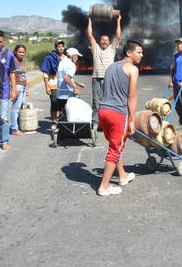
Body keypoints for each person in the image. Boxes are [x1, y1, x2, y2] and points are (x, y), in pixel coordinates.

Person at [97, 39, 144, 196]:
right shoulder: (132, 69)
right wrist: (131, 120)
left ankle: (122, 175)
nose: (141, 55)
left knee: (116, 145)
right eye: (139, 52)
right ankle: (104, 186)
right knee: (115, 149)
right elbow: (132, 96)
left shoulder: (111, 67)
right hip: (117, 114)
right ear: (129, 53)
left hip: (103, 111)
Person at [87, 15, 121, 130]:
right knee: (96, 102)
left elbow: (118, 36)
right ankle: (95, 123)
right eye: (103, 40)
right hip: (96, 78)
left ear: (109, 42)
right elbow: (90, 35)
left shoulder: (112, 49)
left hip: (109, 79)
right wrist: (90, 20)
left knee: (109, 102)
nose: (104, 42)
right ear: (100, 41)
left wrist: (118, 21)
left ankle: (108, 123)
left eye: (106, 40)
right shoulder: (95, 48)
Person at [40, 40, 66, 129]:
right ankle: (54, 121)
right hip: (53, 84)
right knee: (54, 102)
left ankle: (61, 121)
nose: (61, 48)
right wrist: (47, 86)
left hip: (63, 85)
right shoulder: (49, 58)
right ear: (55, 48)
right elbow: (45, 73)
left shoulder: (66, 58)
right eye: (59, 46)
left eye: (62, 46)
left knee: (63, 103)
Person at [56, 48, 86, 114]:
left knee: (63, 115)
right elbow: (66, 77)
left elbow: (65, 77)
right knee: (71, 115)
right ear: (71, 55)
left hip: (60, 94)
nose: (77, 58)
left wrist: (77, 82)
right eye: (76, 56)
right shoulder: (71, 65)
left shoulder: (62, 62)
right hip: (68, 94)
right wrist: (75, 88)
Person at [10, 45, 29, 136]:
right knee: (16, 108)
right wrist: (13, 89)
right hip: (17, 86)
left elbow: (24, 75)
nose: (21, 54)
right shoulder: (13, 60)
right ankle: (14, 129)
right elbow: (9, 75)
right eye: (19, 52)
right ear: (15, 52)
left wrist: (27, 88)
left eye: (23, 52)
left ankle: (18, 125)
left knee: (21, 107)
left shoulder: (23, 61)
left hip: (23, 86)